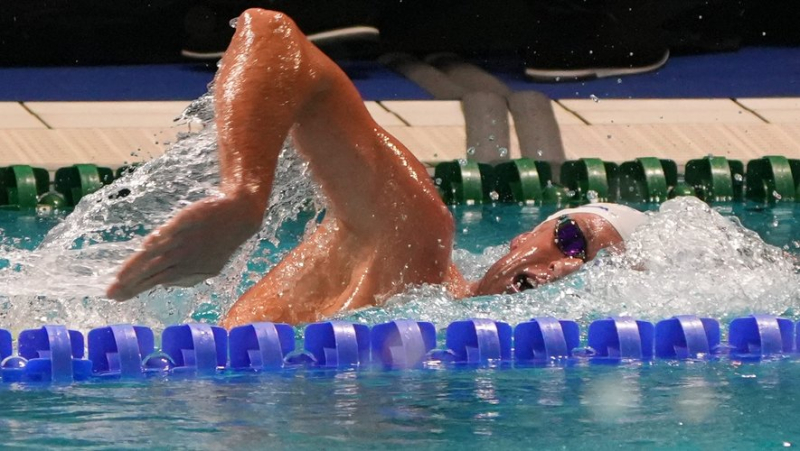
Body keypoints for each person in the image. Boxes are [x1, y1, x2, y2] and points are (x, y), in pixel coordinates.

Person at [106, 9, 648, 328]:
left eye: (593, 270)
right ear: (521, 236)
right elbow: (269, 34)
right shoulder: (412, 246)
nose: (566, 269)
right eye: (572, 241)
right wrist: (244, 196)